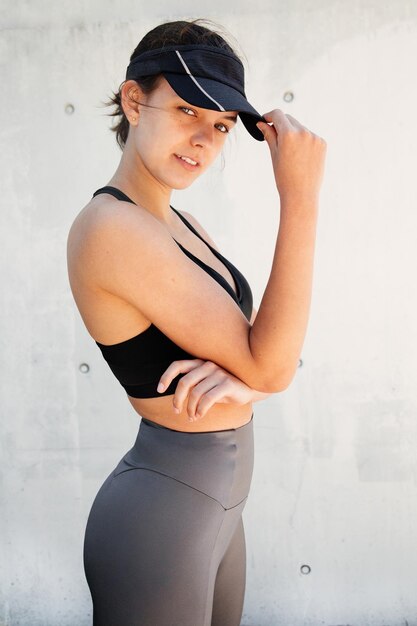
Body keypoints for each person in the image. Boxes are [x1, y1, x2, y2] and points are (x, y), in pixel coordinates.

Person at [66, 17, 326, 626]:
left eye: (222, 125)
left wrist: (250, 381)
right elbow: (273, 359)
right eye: (187, 109)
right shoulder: (114, 229)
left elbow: (262, 352)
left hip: (215, 507)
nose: (204, 139)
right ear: (135, 100)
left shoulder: (177, 223)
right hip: (164, 510)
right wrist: (302, 197)